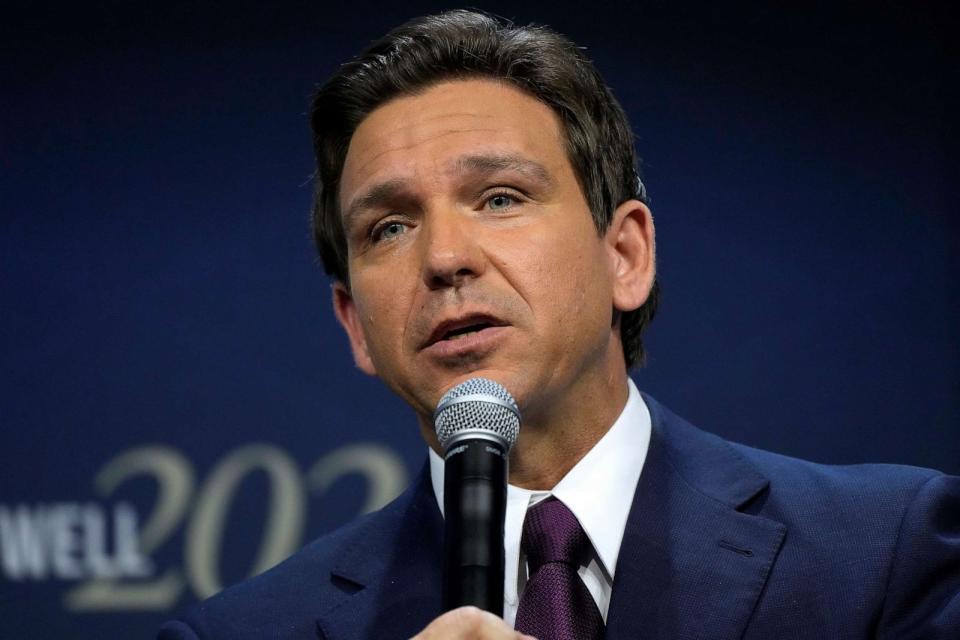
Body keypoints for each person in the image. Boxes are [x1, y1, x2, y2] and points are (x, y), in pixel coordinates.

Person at [159, 10, 959, 639]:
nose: (444, 257)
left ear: (626, 253)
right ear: (355, 326)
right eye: (389, 228)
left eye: (500, 198)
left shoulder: (886, 556)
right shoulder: (241, 631)